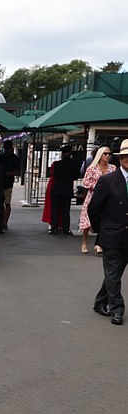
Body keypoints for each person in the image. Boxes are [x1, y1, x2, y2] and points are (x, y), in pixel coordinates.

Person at [89, 138, 128, 326]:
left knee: (114, 275)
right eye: (125, 157)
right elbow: (94, 208)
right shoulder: (108, 180)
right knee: (113, 275)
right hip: (112, 235)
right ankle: (117, 310)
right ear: (120, 159)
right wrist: (102, 231)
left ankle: (99, 302)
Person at [78, 146, 116, 254]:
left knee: (104, 220)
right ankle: (84, 242)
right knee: (87, 221)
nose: (107, 156)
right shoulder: (92, 168)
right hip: (93, 197)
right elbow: (85, 182)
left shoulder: (112, 168)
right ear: (100, 155)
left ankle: (99, 243)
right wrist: (98, 186)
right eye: (105, 154)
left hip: (108, 198)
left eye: (109, 154)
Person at [49, 145, 79, 235]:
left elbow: (53, 175)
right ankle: (66, 228)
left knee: (55, 210)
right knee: (66, 211)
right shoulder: (74, 164)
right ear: (70, 153)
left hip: (56, 189)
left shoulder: (57, 164)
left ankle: (54, 228)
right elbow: (76, 176)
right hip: (67, 190)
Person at [0, 140, 20, 233]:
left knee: (4, 204)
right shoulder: (10, 158)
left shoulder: (2, 158)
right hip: (6, 184)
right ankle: (3, 223)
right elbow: (17, 172)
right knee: (6, 204)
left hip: (4, 184)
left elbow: (17, 172)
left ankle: (3, 223)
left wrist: (5, 173)